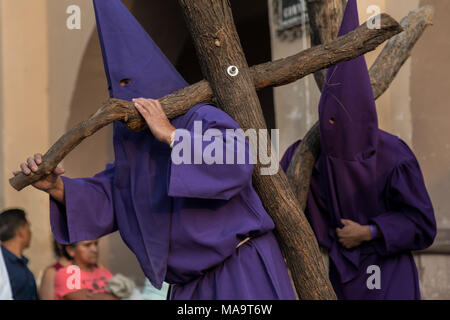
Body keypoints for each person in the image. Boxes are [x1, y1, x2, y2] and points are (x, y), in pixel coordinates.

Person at [14, 0, 295, 300]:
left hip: (240, 274)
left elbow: (237, 161)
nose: (127, 97)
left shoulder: (200, 117)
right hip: (189, 288)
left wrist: (172, 135)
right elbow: (112, 195)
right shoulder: (133, 148)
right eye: (117, 89)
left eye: (131, 85)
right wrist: (56, 187)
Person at [280, 0, 436, 300]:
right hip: (345, 276)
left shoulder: (394, 156)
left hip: (389, 272)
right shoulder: (308, 156)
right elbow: (283, 198)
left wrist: (371, 231)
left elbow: (423, 225)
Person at [0, 209, 38, 300]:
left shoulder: (20, 263)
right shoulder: (3, 264)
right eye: (28, 227)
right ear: (21, 231)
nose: (31, 232)